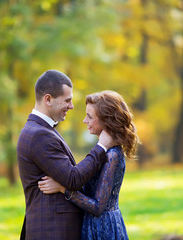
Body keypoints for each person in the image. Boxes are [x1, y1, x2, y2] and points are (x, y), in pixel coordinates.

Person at [17, 70, 114, 240]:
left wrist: (62, 186)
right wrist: (101, 147)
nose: (71, 106)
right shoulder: (39, 134)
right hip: (53, 231)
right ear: (48, 99)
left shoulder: (43, 130)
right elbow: (73, 178)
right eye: (67, 100)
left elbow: (67, 178)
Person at [38, 90, 139, 240]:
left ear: (106, 120)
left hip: (104, 229)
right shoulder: (103, 150)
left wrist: (62, 189)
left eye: (90, 117)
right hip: (92, 225)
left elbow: (98, 207)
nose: (85, 120)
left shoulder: (112, 155)